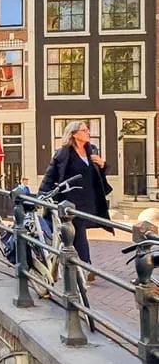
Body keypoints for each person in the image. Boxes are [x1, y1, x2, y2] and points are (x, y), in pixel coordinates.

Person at [39, 120, 113, 280]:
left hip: (89, 199)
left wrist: (103, 165)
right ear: (74, 134)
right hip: (70, 201)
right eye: (84, 130)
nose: (88, 132)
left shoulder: (91, 150)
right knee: (78, 231)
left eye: (87, 130)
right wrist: (41, 195)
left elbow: (97, 173)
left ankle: (66, 261)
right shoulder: (63, 153)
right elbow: (49, 176)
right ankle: (86, 265)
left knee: (75, 233)